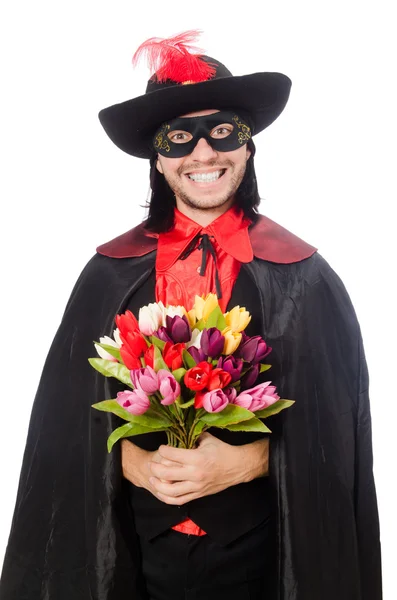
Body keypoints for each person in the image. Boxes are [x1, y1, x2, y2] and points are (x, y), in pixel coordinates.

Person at [0, 31, 382, 600]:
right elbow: (65, 429)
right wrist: (128, 461)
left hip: (262, 562)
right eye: (179, 138)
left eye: (222, 131)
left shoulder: (303, 277)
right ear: (158, 158)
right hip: (135, 557)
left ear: (248, 146)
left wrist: (253, 461)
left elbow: (334, 442)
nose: (203, 154)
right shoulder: (109, 273)